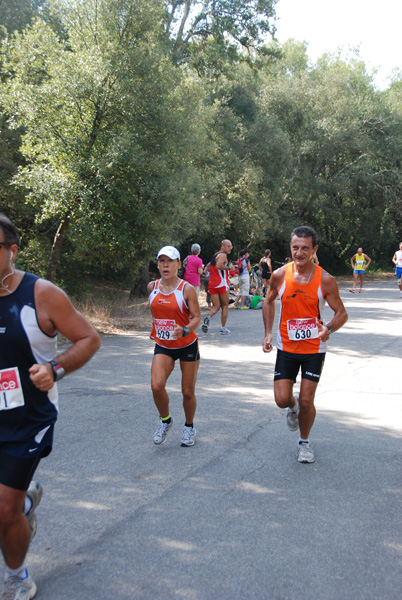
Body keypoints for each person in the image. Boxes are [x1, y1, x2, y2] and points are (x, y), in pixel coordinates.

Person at [0, 214, 101, 599]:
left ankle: (17, 576)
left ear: (11, 251)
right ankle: (25, 500)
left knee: (3, 509)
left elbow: (89, 338)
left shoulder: (42, 294)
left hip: (29, 418)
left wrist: (54, 369)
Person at [262, 226, 348, 464]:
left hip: (313, 349)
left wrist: (329, 328)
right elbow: (268, 302)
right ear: (291, 248)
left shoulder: (325, 279)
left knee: (308, 400)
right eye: (295, 248)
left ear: (314, 249)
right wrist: (268, 333)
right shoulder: (279, 275)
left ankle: (304, 443)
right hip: (287, 348)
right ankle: (293, 406)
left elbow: (341, 313)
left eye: (305, 248)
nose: (299, 253)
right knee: (281, 399)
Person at [148, 246, 201, 448]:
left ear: (179, 264)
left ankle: (189, 427)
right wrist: (157, 326)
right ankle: (165, 420)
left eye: (170, 261)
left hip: (187, 344)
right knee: (156, 385)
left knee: (187, 392)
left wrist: (186, 329)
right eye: (162, 261)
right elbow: (156, 310)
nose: (165, 265)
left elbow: (197, 318)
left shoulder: (186, 289)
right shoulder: (151, 286)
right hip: (164, 345)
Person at [202, 239, 233, 335]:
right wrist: (229, 268)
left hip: (212, 283)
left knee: (216, 306)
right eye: (228, 246)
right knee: (225, 305)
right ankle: (223, 328)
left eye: (231, 246)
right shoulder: (223, 255)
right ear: (222, 246)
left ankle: (208, 317)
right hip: (221, 283)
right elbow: (219, 265)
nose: (230, 248)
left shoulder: (215, 255)